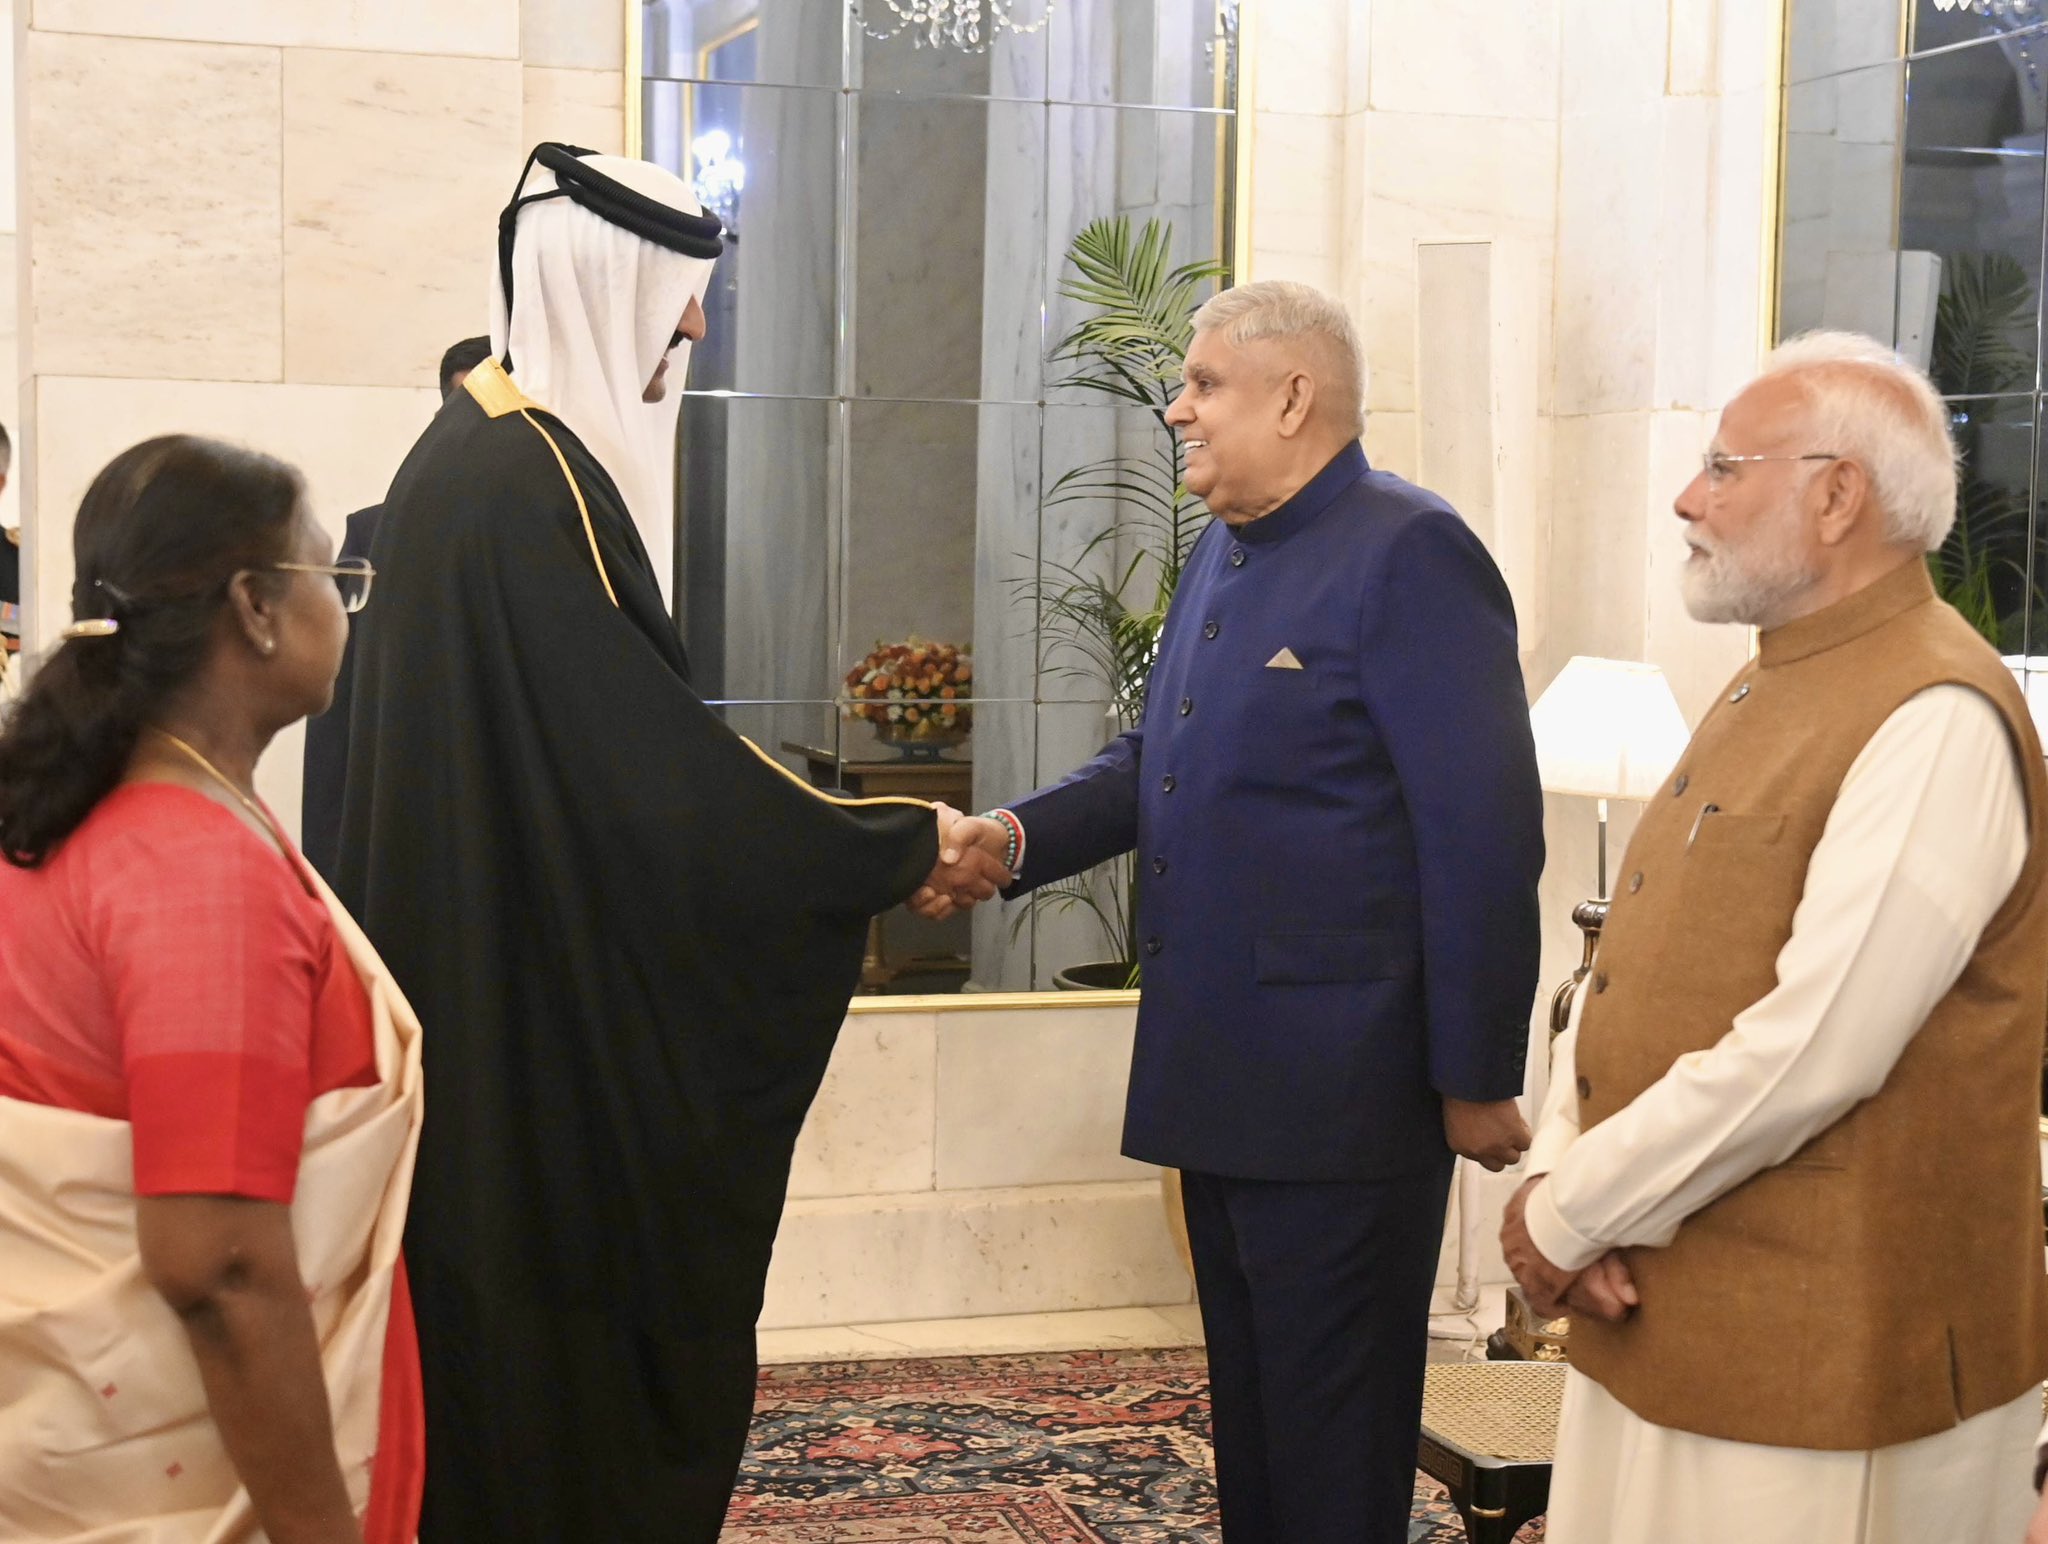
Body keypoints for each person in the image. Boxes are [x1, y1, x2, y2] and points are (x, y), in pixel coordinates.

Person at [334, 144, 1004, 1543]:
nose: (695, 329)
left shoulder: (472, 448)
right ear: (605, 280)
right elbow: (657, 790)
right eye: (681, 297)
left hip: (481, 1010)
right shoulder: (529, 484)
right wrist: (891, 840)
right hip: (526, 1061)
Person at [925, 280, 1546, 1544]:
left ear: (1293, 395)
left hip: (1343, 1098)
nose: (1175, 406)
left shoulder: (1410, 550)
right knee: (1257, 1426)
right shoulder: (1223, 544)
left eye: (1204, 384)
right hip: (1221, 1074)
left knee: (1331, 1442)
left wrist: (1476, 1071)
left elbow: (1482, 835)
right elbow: (1152, 758)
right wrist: (1009, 837)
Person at [1499, 331, 2048, 1544]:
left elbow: (1816, 1048)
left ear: (1835, 492)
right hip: (1656, 1305)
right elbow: (1619, 972)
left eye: (1720, 467)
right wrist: (1557, 1172)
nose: (1686, 498)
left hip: (1824, 1352)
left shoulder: (1935, 710)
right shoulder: (1765, 680)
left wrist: (1564, 1213)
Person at [0, 435, 421, 1544]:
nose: (345, 608)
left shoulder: (99, 817)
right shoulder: (194, 869)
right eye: (334, 575)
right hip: (182, 1489)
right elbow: (219, 1263)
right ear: (255, 607)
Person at [300, 336, 491, 881]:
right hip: (407, 840)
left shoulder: (554, 529)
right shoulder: (374, 533)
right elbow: (339, 713)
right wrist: (329, 871)